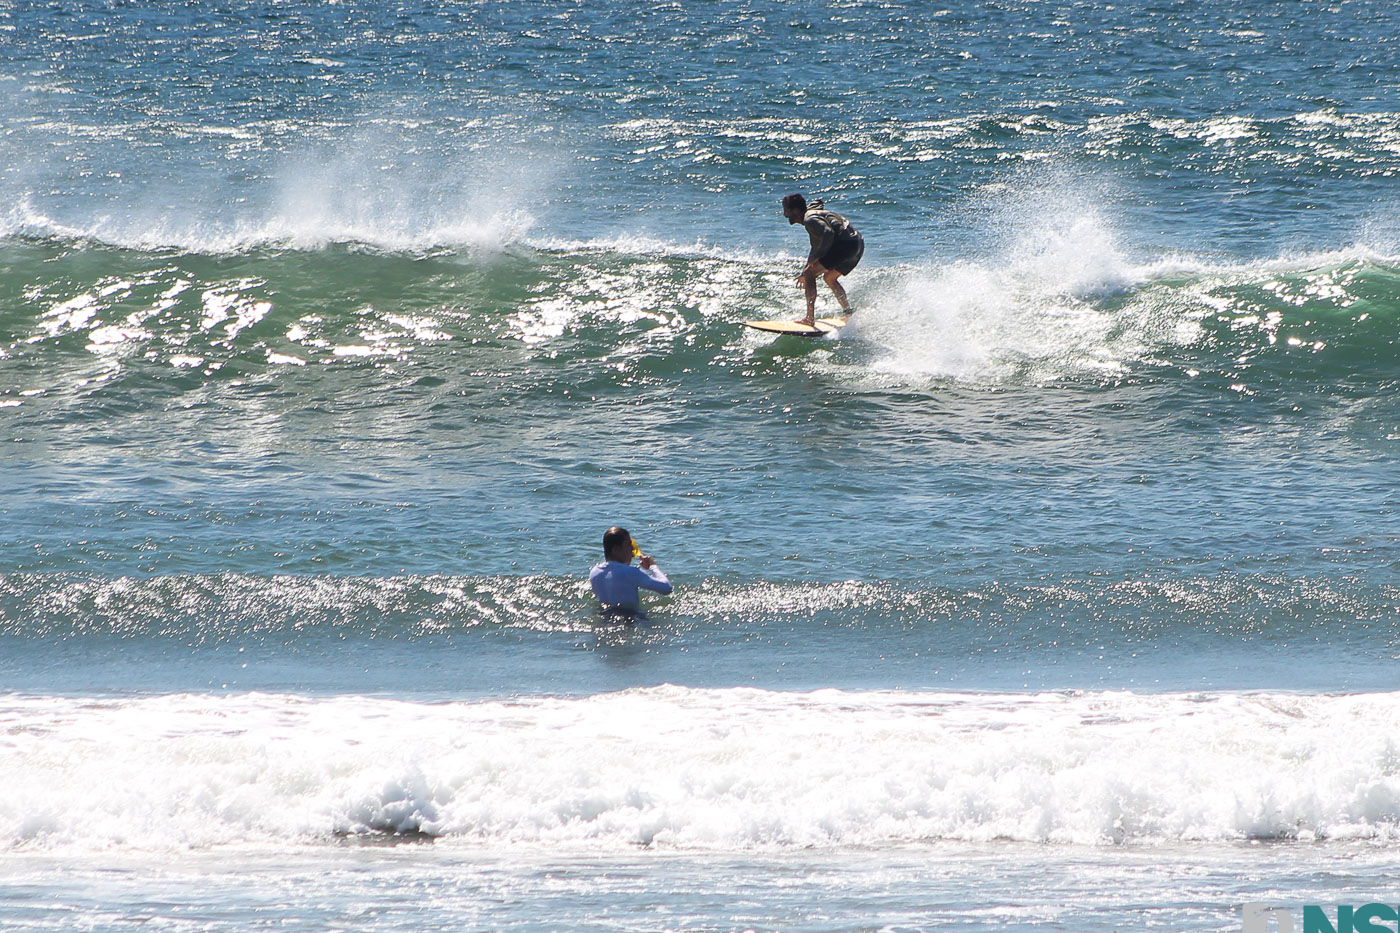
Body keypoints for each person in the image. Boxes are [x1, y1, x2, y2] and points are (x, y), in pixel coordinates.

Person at [781, 193, 864, 326]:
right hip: (857, 243)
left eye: (786, 210)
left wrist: (812, 264)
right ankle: (848, 312)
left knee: (810, 274)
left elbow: (828, 233)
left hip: (845, 245)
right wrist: (808, 266)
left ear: (795, 211)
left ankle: (809, 319)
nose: (784, 214)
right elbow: (815, 246)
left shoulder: (810, 220)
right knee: (829, 278)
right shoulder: (813, 213)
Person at [589, 526, 672, 617]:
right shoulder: (631, 573)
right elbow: (666, 588)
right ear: (616, 549)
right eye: (628, 545)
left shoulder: (594, 572)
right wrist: (653, 567)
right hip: (630, 619)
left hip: (604, 616)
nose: (632, 549)